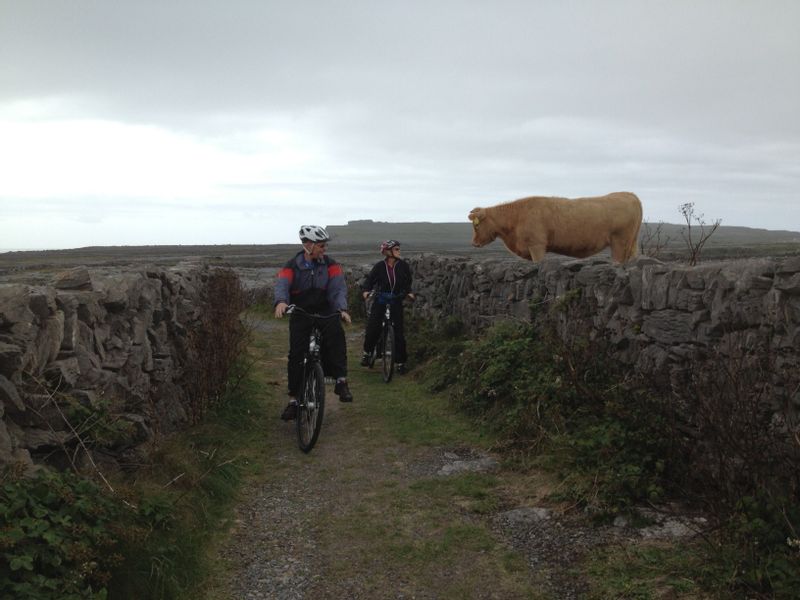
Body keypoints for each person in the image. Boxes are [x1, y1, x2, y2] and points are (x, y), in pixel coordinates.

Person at [274, 225, 353, 421]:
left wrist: (341, 309)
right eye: (321, 245)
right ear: (307, 245)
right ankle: (293, 400)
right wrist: (282, 301)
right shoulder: (292, 265)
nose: (324, 249)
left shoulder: (331, 264)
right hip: (301, 312)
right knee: (296, 354)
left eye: (324, 245)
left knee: (336, 335)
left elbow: (337, 288)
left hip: (325, 310)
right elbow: (282, 283)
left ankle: (341, 381)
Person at [360, 240, 415, 374]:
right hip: (381, 300)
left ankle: (401, 362)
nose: (399, 251)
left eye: (398, 249)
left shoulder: (403, 266)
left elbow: (407, 282)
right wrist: (366, 291)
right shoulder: (379, 266)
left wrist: (409, 293)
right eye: (396, 249)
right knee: (373, 327)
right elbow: (370, 280)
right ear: (388, 252)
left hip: (396, 300)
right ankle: (367, 353)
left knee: (399, 332)